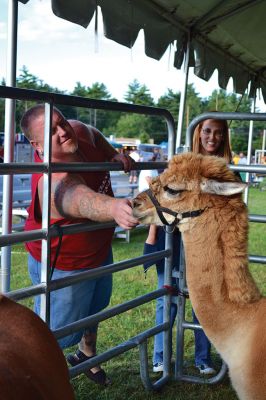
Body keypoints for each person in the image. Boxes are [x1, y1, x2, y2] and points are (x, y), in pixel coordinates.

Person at [20, 104, 139, 386]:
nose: (63, 131)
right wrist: (114, 208)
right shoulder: (52, 179)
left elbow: (94, 134)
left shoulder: (79, 133)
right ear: (38, 146)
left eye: (61, 122)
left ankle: (86, 354)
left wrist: (112, 153)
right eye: (51, 132)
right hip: (63, 264)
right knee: (56, 335)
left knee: (96, 307)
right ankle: (36, 383)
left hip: (96, 252)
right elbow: (77, 197)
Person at [144, 117, 234, 375]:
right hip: (174, 240)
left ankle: (203, 358)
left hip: (207, 244)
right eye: (207, 131)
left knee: (203, 300)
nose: (212, 137)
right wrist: (152, 238)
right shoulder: (182, 164)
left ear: (223, 136)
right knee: (168, 298)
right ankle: (160, 357)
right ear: (198, 132)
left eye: (218, 132)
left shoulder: (227, 171)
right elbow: (158, 198)